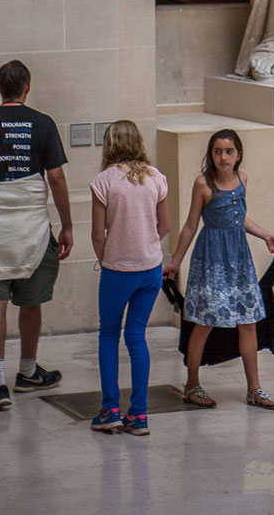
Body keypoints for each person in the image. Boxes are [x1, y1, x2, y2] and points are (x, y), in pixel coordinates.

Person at [0, 59, 73, 410]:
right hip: (32, 229)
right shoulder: (43, 123)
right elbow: (56, 178)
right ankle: (27, 371)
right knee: (31, 298)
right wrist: (67, 225)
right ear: (28, 87)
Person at [163, 129, 274, 409]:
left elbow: (239, 217)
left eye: (229, 151)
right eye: (217, 151)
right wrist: (175, 261)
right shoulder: (203, 185)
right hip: (211, 260)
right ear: (211, 154)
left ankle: (254, 389)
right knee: (205, 322)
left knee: (249, 322)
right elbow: (191, 225)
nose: (223, 156)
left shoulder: (242, 180)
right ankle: (192, 384)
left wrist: (265, 234)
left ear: (238, 154)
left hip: (239, 260)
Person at [90, 121, 171, 436]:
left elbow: (98, 234)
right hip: (150, 269)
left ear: (109, 145)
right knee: (136, 337)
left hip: (117, 270)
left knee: (109, 336)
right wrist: (147, 243)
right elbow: (165, 225)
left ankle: (110, 410)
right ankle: (139, 415)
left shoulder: (104, 181)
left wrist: (107, 256)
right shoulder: (156, 178)